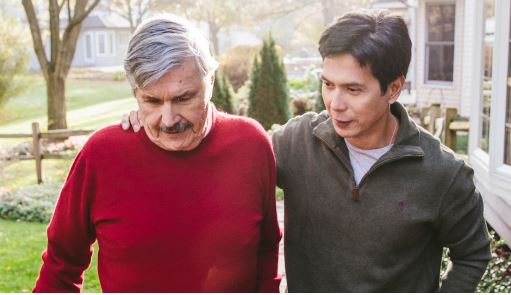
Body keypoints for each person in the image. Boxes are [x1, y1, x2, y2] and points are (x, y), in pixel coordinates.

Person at [123, 10, 491, 292]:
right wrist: (155, 113)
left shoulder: (444, 175)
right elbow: (228, 154)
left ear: (393, 88)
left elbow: (472, 255)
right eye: (327, 84)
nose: (335, 103)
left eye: (353, 89)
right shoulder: (296, 141)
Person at [33, 16, 281, 292]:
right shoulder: (101, 154)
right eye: (151, 101)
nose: (168, 119)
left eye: (183, 98)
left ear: (210, 81)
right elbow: (61, 265)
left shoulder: (251, 144)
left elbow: (266, 247)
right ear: (135, 93)